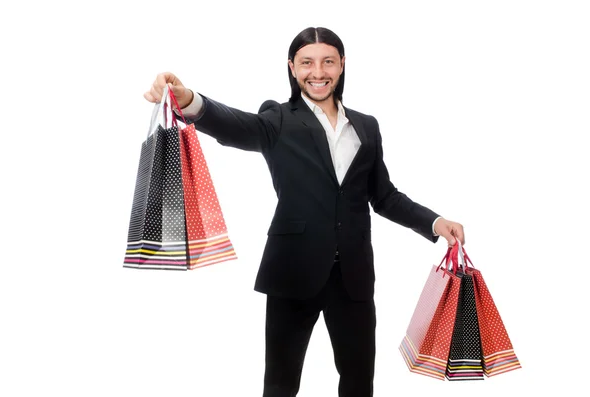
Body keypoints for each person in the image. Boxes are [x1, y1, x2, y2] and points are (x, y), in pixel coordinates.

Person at [144, 27, 464, 397]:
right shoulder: (277, 118)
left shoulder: (367, 126)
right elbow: (236, 126)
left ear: (342, 65)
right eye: (307, 62)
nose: (318, 71)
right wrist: (190, 101)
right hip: (293, 271)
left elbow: (384, 196)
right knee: (280, 384)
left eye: (328, 61)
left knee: (359, 380)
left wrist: (436, 222)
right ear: (292, 68)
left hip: (353, 276)